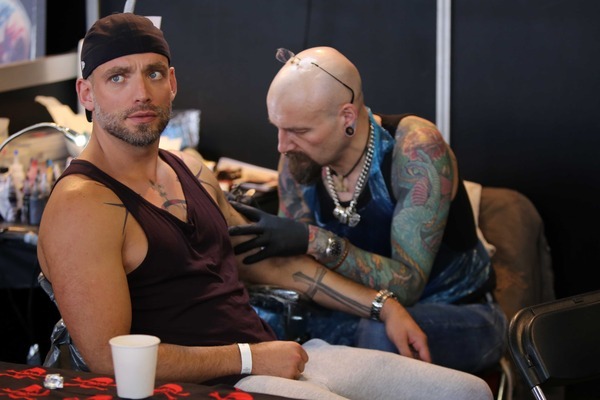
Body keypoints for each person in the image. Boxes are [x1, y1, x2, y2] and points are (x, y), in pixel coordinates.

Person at [36, 13, 493, 400]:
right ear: (86, 94)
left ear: (172, 83)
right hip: (210, 382)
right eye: (117, 77)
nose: (141, 92)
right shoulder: (83, 203)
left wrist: (382, 306)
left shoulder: (190, 169)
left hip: (274, 357)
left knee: (468, 392)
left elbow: (266, 262)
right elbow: (109, 357)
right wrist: (251, 357)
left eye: (153, 73)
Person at [229, 46, 507, 373]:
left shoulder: (416, 150)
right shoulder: (297, 161)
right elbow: (300, 275)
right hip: (360, 309)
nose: (282, 145)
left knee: (379, 335)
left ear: (347, 117)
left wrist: (314, 240)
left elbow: (408, 286)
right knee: (258, 321)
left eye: (299, 131)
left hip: (457, 309)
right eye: (278, 127)